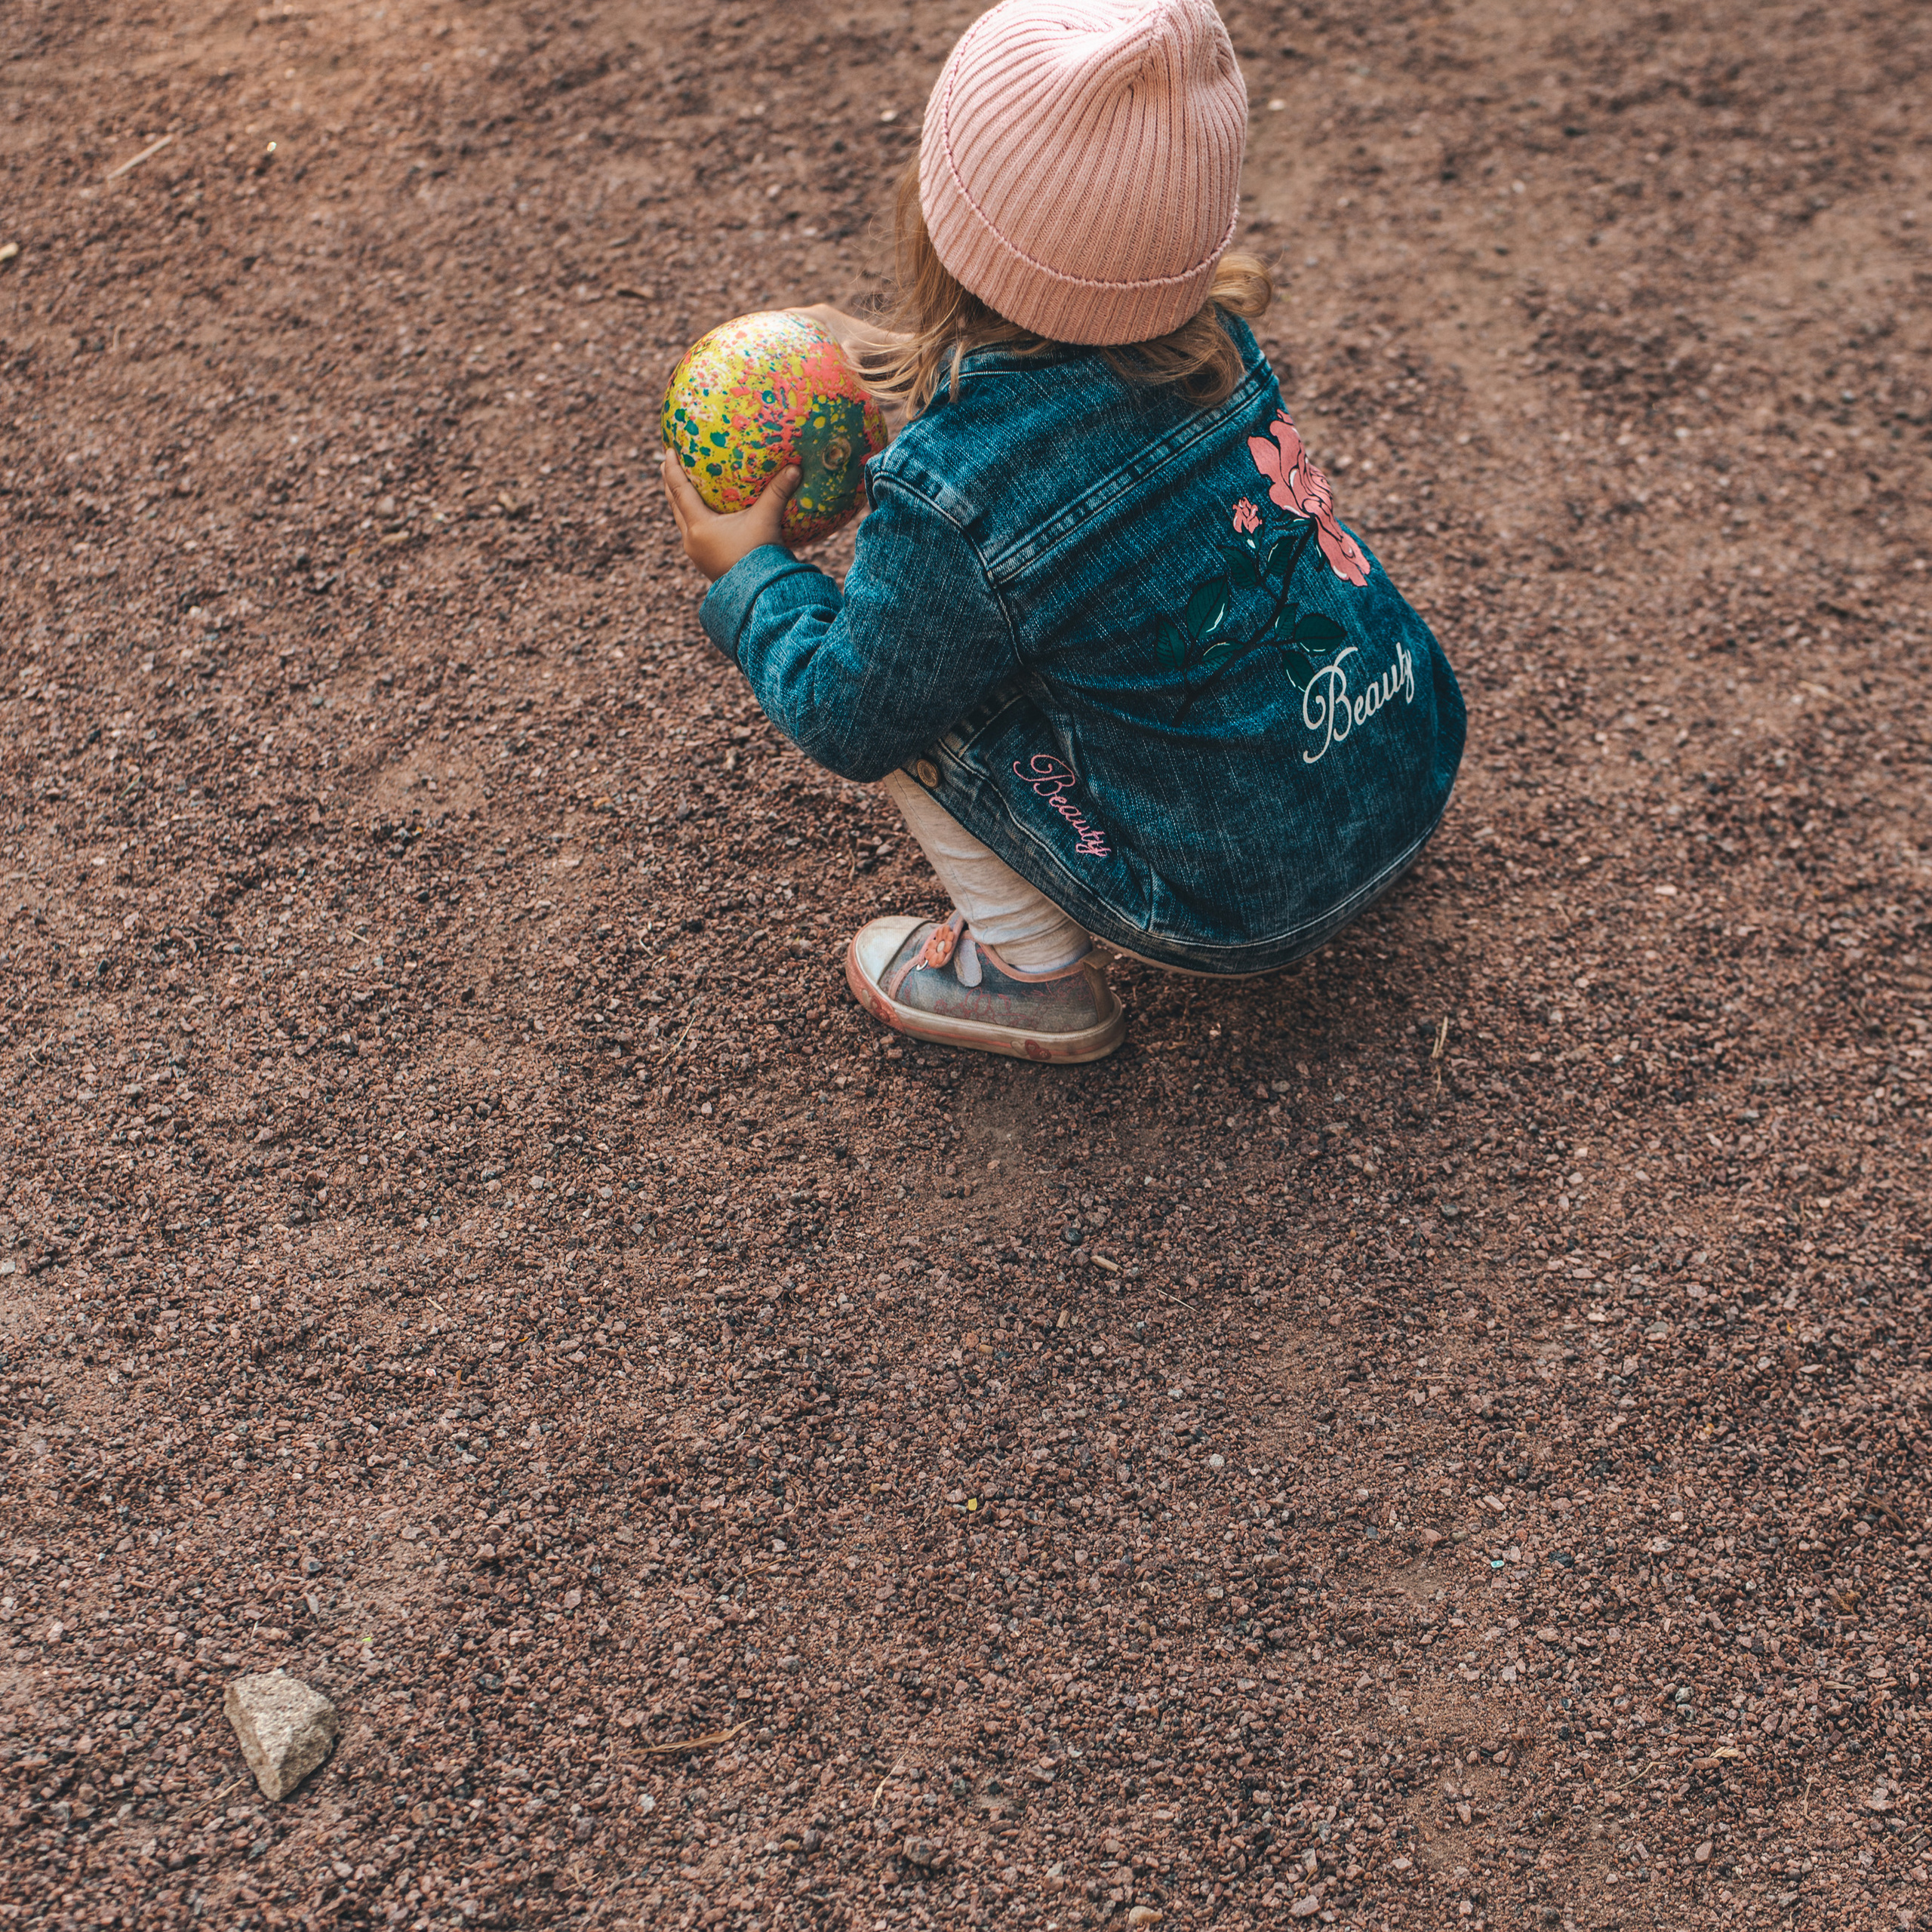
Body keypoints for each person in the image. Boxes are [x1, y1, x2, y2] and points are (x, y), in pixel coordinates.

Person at [660, 0, 1464, 1065]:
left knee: (901, 669)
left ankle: (1024, 976)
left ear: (940, 214)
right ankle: (1332, 810)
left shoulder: (950, 499)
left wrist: (750, 576)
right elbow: (1075, 403)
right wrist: (916, 368)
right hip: (1408, 766)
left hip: (1242, 903)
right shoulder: (1216, 343)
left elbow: (849, 719)